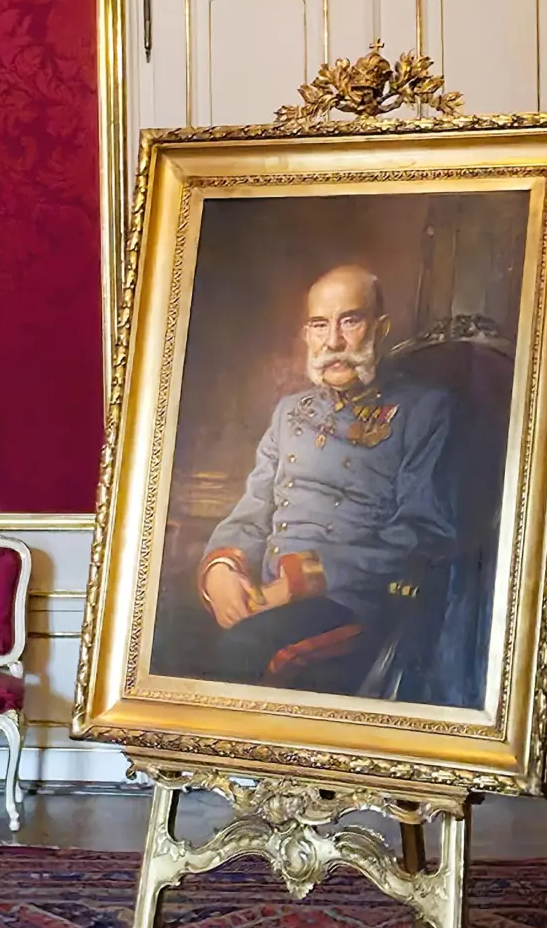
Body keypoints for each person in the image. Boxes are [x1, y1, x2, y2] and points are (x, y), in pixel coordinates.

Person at [173, 261, 478, 694]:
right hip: (260, 586)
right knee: (164, 629)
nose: (333, 341)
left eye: (349, 321)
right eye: (319, 325)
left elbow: (421, 533)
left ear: (381, 328)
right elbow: (253, 510)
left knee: (239, 653)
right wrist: (222, 570)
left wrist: (298, 582)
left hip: (346, 599)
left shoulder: (425, 410)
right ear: (306, 335)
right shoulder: (289, 412)